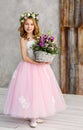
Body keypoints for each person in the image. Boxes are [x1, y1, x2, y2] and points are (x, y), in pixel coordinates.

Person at [3, 11, 66, 128]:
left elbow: (44, 50)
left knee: (40, 90)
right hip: (28, 66)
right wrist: (36, 63)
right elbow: (25, 57)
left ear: (35, 25)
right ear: (23, 25)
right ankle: (32, 116)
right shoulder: (23, 39)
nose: (29, 26)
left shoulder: (38, 37)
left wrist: (48, 59)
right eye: (26, 24)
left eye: (31, 24)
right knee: (30, 90)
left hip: (41, 67)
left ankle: (36, 113)